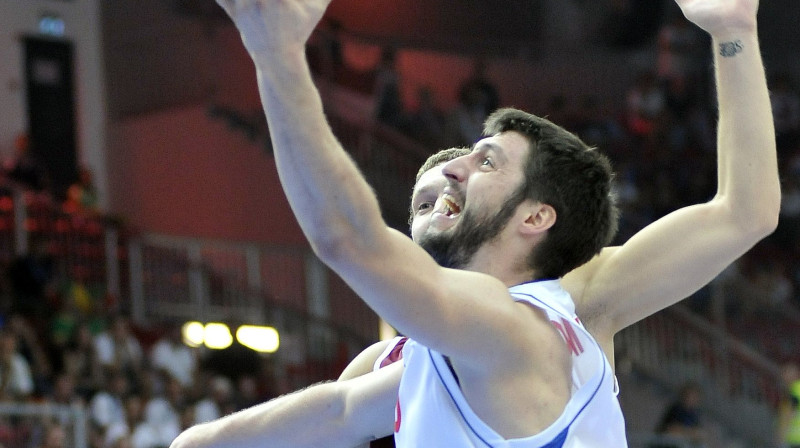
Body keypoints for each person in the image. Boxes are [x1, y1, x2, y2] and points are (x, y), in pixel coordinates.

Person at [172, 0, 777, 446]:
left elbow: (744, 212)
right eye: (432, 181)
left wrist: (733, 30)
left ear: (538, 215)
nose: (449, 170)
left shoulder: (539, 316)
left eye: (482, 160)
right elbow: (339, 411)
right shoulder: (401, 362)